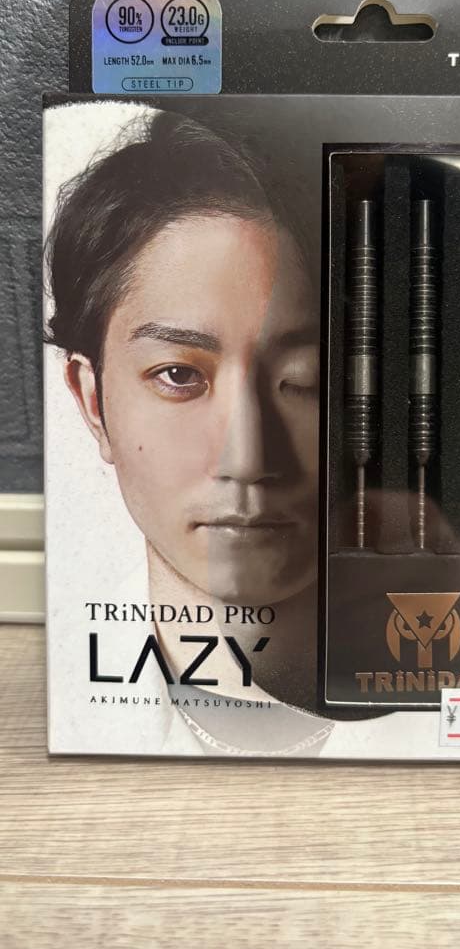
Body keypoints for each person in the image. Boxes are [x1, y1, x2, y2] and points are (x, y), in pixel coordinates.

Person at [46, 109, 324, 742]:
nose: (246, 457)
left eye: (308, 380)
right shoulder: (63, 701)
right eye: (178, 375)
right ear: (93, 402)